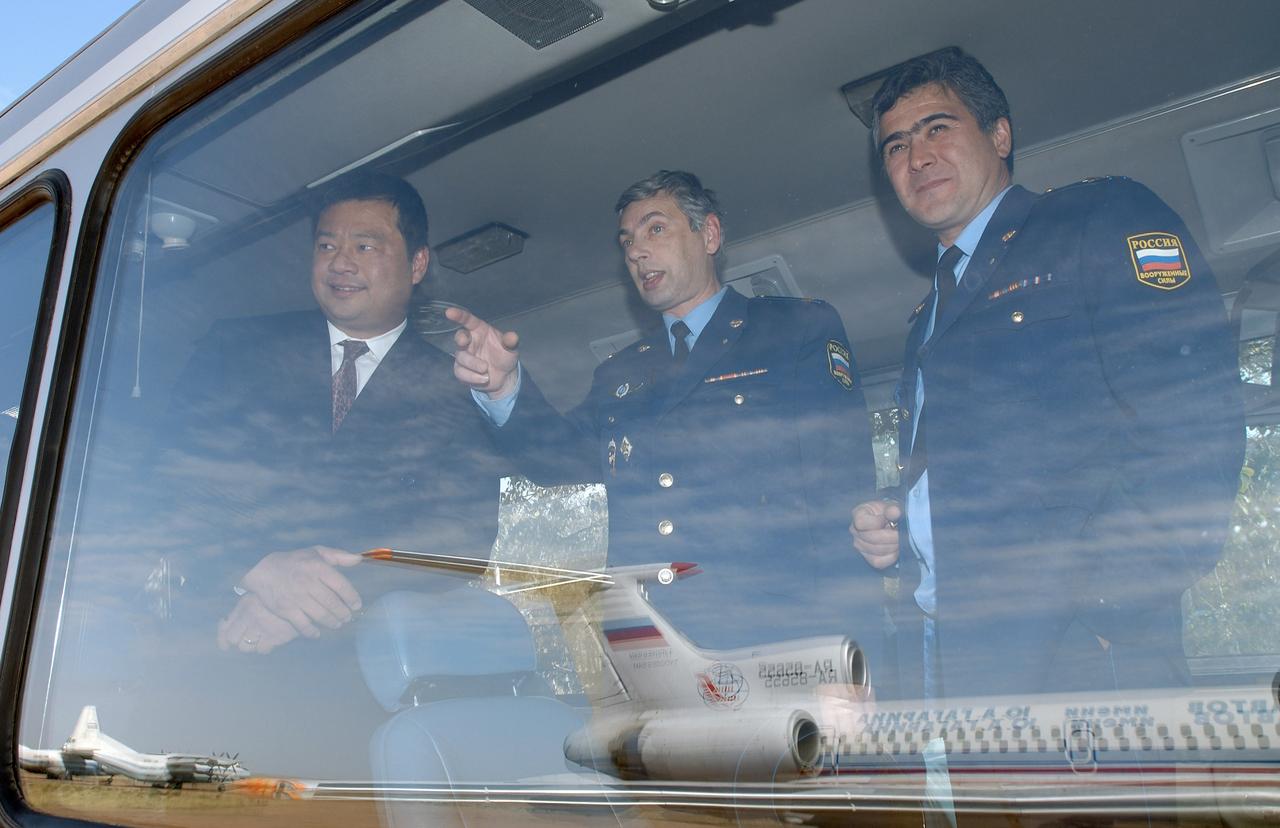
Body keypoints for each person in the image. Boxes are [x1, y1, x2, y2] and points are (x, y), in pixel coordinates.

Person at [849, 48, 1244, 699]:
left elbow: (1193, 419)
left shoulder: (1095, 220)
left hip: (1082, 658)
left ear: (999, 134)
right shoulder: (928, 315)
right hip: (958, 659)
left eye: (937, 128)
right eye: (895, 145)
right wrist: (899, 516)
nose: (916, 157)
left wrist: (1105, 607)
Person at [449, 170, 883, 665]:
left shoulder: (793, 328)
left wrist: (846, 655)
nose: (636, 251)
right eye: (627, 240)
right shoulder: (619, 373)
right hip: (656, 645)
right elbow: (561, 462)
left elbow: (843, 493)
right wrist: (505, 389)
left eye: (655, 229)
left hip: (777, 632)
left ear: (710, 235)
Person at [158, 172, 509, 657]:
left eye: (365, 247)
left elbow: (463, 540)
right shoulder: (237, 350)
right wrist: (255, 568)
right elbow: (165, 476)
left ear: (417, 263)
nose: (340, 262)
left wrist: (309, 600)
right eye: (326, 246)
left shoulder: (454, 389)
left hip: (361, 665)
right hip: (209, 643)